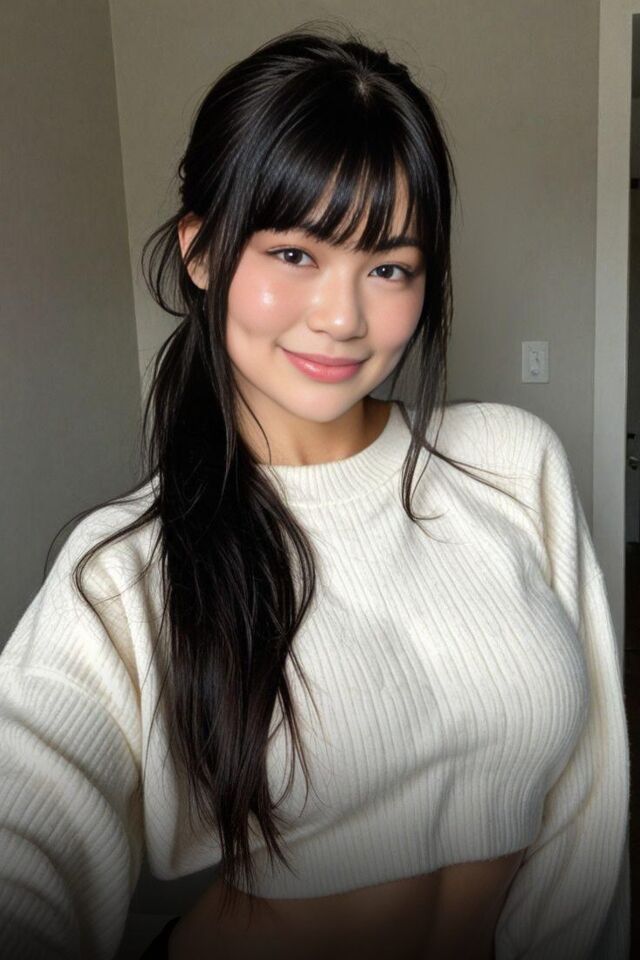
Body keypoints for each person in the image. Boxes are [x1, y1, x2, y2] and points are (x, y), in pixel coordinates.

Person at [0, 22, 630, 960]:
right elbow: (26, 836)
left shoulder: (509, 463)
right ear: (202, 252)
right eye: (295, 253)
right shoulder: (128, 569)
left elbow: (591, 792)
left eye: (389, 267)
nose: (342, 318)